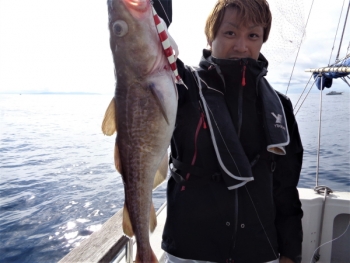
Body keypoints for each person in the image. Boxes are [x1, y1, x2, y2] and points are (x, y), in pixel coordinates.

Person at [154, 0, 304, 262]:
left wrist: (290, 253)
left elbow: (286, 189)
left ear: (262, 41)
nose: (241, 46)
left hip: (259, 250)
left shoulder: (281, 106)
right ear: (211, 36)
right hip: (191, 250)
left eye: (253, 35)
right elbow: (146, 35)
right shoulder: (181, 87)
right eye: (230, 32)